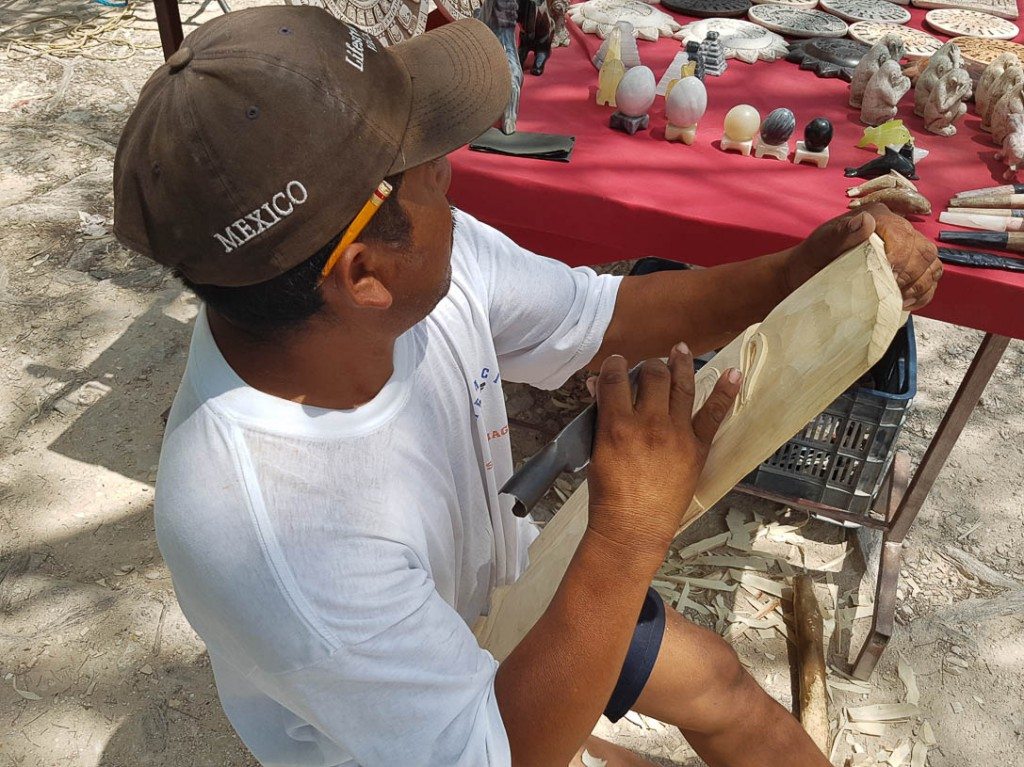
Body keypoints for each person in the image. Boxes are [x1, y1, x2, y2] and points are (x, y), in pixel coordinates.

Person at [112, 6, 941, 767]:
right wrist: (626, 533)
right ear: (364, 273)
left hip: (513, 597)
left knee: (720, 687)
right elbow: (500, 754)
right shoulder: (270, 540)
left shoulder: (401, 274)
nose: (451, 173)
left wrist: (795, 272)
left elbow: (597, 315)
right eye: (427, 166)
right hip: (419, 739)